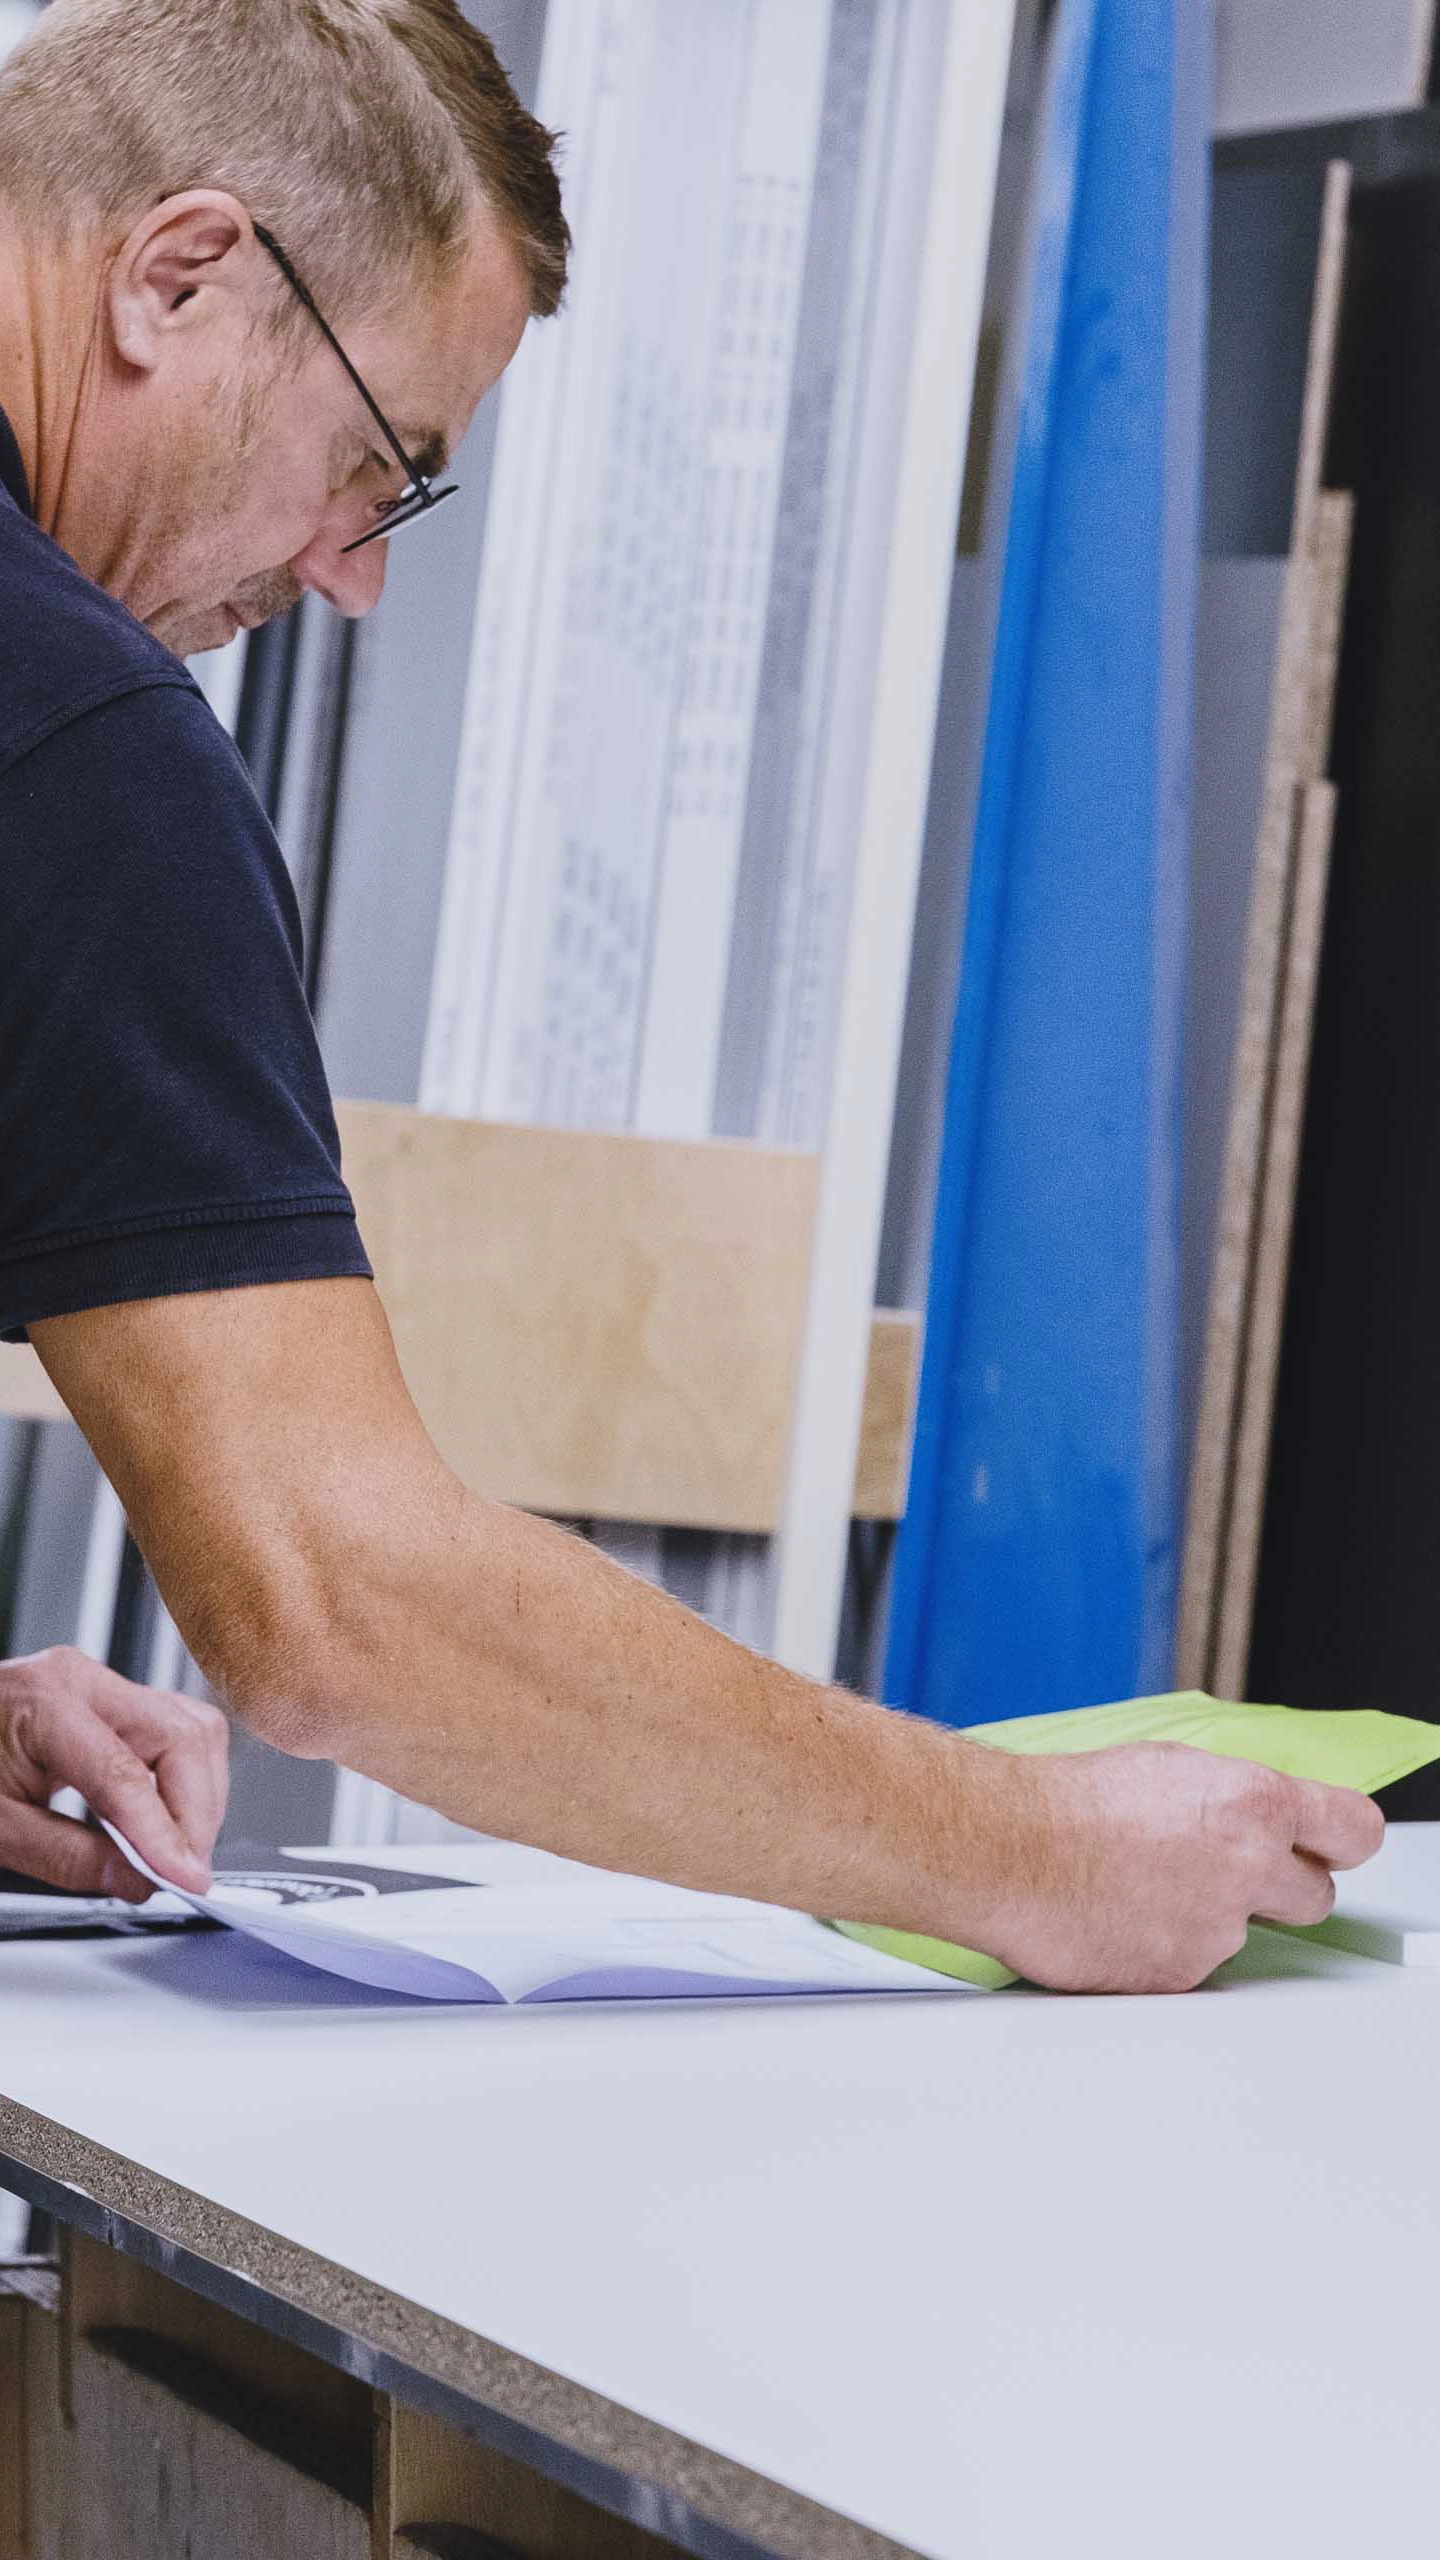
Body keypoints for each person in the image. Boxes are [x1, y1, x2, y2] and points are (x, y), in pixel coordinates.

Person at [0, 0, 1382, 1992]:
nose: (354, 571)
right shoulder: (70, 731)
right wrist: (1034, 1845)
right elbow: (339, 1597)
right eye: (382, 463)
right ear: (181, 272)